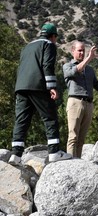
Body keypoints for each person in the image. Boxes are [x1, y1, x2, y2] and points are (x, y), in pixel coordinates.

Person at [8, 23, 72, 165]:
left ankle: (15, 155)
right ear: (53, 36)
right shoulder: (48, 44)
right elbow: (47, 66)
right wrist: (52, 87)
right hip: (37, 85)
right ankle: (54, 152)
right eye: (56, 37)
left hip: (21, 86)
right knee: (50, 117)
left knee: (21, 120)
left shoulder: (27, 47)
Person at [63, 41, 98, 158]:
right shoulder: (68, 66)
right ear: (73, 51)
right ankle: (70, 164)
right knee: (73, 137)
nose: (82, 53)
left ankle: (78, 163)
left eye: (83, 50)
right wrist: (89, 58)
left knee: (81, 139)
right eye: (79, 50)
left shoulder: (90, 70)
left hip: (89, 104)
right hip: (75, 102)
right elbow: (76, 70)